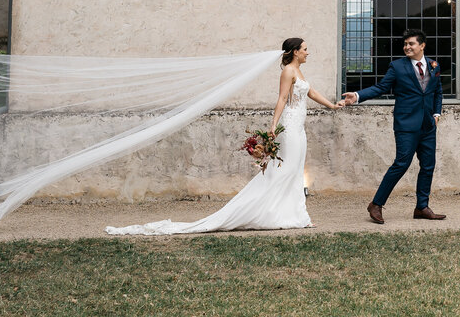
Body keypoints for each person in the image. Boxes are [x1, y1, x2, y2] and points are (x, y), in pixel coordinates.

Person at [106, 37, 343, 235]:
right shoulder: (288, 71)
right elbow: (282, 98)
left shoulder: (299, 71)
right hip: (290, 126)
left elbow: (310, 92)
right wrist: (273, 124)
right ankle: (269, 212)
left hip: (299, 128)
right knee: (286, 170)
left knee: (295, 169)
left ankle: (297, 215)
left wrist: (331, 106)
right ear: (294, 52)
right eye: (305, 49)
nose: (308, 53)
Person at [341, 29, 445, 224]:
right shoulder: (397, 67)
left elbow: (437, 91)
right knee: (401, 164)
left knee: (428, 165)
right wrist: (357, 96)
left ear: (422, 45)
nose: (407, 47)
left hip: (428, 125)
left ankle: (422, 207)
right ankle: (376, 204)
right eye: (405, 44)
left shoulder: (434, 65)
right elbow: (381, 87)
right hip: (406, 124)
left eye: (411, 44)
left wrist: (437, 113)